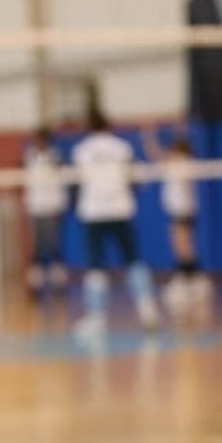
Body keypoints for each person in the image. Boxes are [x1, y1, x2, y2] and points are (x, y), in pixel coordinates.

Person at [72, 109, 160, 336]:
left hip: (93, 213)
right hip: (121, 210)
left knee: (95, 266)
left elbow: (76, 183)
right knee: (133, 261)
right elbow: (138, 179)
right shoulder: (122, 148)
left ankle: (96, 319)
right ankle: (148, 312)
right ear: (108, 126)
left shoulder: (82, 150)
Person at [140, 126, 213, 321]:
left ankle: (191, 280)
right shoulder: (176, 162)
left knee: (183, 245)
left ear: (178, 149)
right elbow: (155, 155)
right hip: (180, 210)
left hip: (183, 210)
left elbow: (157, 155)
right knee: (181, 245)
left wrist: (148, 135)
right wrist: (148, 134)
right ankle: (190, 281)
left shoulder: (182, 162)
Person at [22, 126, 69, 294]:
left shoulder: (56, 157)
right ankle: (36, 283)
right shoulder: (28, 157)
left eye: (42, 140)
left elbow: (64, 178)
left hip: (53, 207)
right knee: (37, 247)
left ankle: (59, 282)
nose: (39, 143)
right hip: (36, 208)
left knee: (54, 245)